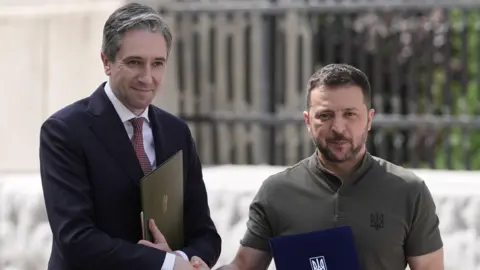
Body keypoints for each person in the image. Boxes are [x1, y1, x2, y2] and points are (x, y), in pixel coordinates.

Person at [200, 63, 444, 270]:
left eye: (350, 114)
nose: (338, 128)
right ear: (308, 121)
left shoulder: (408, 192)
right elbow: (243, 265)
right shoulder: (277, 192)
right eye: (325, 116)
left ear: (369, 120)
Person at [39, 3, 221, 270]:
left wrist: (184, 260)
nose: (148, 77)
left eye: (157, 63)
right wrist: (165, 264)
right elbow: (75, 239)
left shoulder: (176, 132)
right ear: (107, 62)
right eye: (135, 62)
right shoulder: (64, 132)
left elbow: (205, 234)